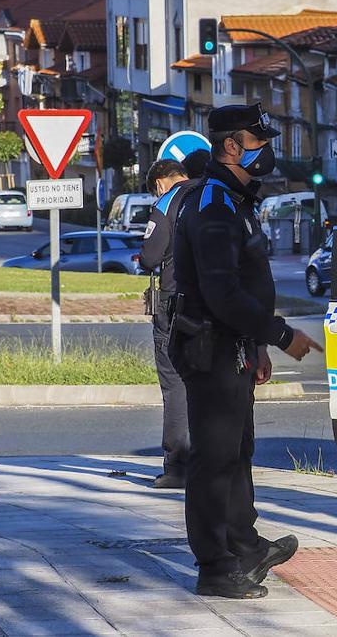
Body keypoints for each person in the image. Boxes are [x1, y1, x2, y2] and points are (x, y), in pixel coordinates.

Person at [171, 103, 323, 599]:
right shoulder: (214, 204)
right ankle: (215, 567)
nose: (267, 151)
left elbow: (246, 283)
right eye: (258, 142)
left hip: (233, 346)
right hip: (209, 347)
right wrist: (281, 335)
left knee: (237, 453)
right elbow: (223, 294)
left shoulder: (235, 199)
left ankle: (245, 544)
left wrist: (257, 344)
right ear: (230, 146)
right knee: (213, 461)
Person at [139, 158, 198, 490]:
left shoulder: (167, 202)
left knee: (175, 383)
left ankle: (176, 467)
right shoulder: (211, 194)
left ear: (160, 182)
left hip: (177, 302)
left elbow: (149, 256)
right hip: (218, 303)